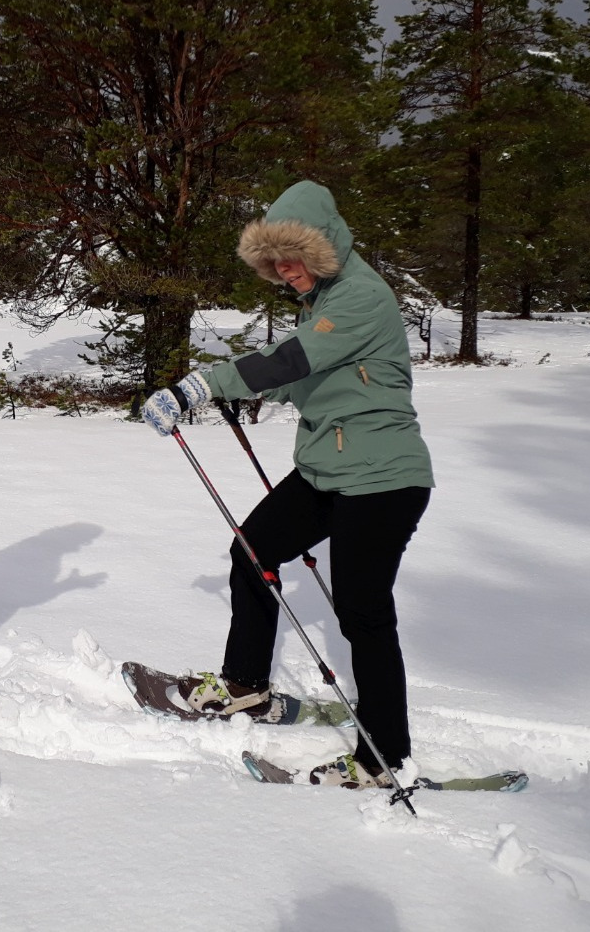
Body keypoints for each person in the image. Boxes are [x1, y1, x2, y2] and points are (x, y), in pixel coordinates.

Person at [141, 180, 433, 789]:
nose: (284, 272)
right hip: (329, 471)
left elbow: (293, 360)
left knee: (362, 610)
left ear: (323, 248)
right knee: (253, 550)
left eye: (293, 259)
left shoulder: (361, 298)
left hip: (382, 478)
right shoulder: (322, 302)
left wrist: (207, 383)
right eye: (274, 264)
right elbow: (301, 379)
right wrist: (232, 392)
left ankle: (385, 757)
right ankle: (245, 684)